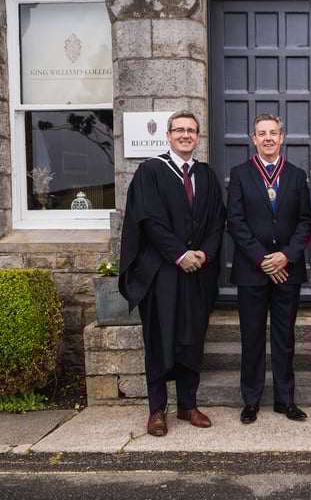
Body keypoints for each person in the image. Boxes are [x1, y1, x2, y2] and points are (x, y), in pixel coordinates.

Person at [119, 110, 226, 437]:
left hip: (197, 272)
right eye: (179, 130)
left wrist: (204, 254)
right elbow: (149, 222)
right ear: (167, 135)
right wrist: (179, 254)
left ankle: (187, 405)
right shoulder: (150, 171)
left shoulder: (206, 175)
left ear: (198, 137)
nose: (185, 135)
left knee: (192, 338)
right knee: (159, 338)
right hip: (162, 273)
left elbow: (217, 223)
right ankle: (156, 410)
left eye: (191, 131)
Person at [227, 113, 311, 424]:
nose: (267, 138)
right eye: (261, 133)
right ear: (253, 139)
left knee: (284, 338)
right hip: (252, 271)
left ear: (281, 137)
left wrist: (285, 256)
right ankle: (250, 400)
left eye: (273, 133)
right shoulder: (239, 174)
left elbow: (306, 222)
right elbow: (234, 222)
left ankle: (284, 400)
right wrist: (264, 260)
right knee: (251, 337)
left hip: (287, 271)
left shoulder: (296, 174)